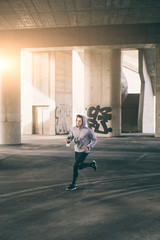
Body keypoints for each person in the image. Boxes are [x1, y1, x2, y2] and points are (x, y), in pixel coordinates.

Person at [65, 114, 98, 191]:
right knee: (79, 166)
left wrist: (88, 147)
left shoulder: (88, 130)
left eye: (80, 121)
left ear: (83, 122)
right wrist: (68, 140)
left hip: (84, 151)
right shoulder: (73, 129)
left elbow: (95, 140)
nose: (78, 122)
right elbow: (70, 136)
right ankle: (91, 164)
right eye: (77, 120)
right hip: (77, 150)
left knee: (75, 166)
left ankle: (73, 184)